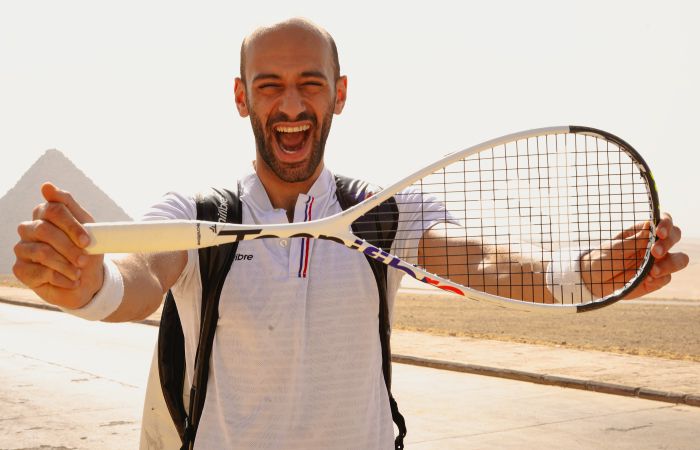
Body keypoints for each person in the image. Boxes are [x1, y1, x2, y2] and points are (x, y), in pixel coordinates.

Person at [13, 18, 689, 450]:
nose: (291, 103)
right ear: (242, 97)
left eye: (310, 83)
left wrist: (584, 275)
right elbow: (137, 281)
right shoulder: (193, 211)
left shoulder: (386, 216)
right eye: (270, 85)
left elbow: (483, 261)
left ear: (339, 93)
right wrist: (85, 285)